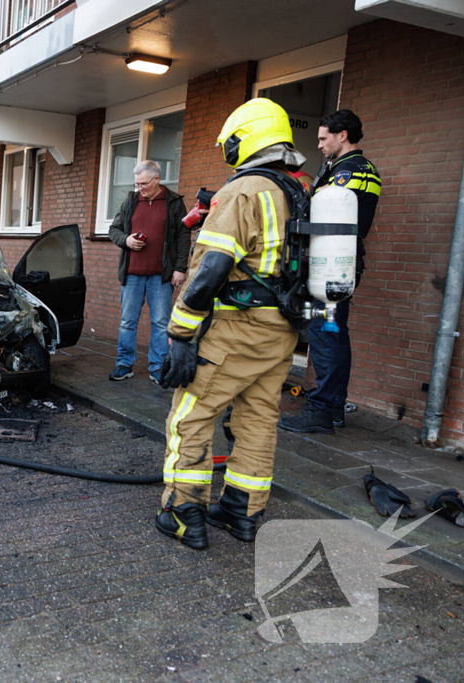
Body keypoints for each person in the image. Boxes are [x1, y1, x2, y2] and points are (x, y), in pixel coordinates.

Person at [155, 98, 305, 550]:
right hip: (281, 330)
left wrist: (180, 334)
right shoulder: (302, 189)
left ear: (246, 139)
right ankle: (242, 514)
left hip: (235, 328)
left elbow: (210, 269)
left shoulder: (245, 190)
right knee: (259, 418)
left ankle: (184, 514)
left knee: (190, 417)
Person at [279, 110, 380, 434]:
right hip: (333, 264)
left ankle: (322, 411)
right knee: (330, 334)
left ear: (343, 136)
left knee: (327, 336)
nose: (319, 144)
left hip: (333, 265)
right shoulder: (341, 168)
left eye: (324, 138)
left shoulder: (350, 171)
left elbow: (321, 213)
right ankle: (331, 407)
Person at [107, 161, 188, 383]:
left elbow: (183, 236)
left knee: (161, 323)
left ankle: (158, 368)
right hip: (132, 274)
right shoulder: (131, 201)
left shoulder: (174, 203)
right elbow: (113, 230)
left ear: (156, 180)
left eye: (143, 183)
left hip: (160, 276)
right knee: (127, 322)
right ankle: (124, 364)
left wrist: (180, 268)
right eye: (137, 184)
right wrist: (127, 240)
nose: (140, 188)